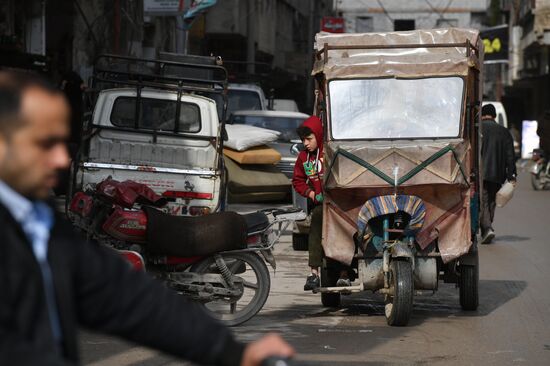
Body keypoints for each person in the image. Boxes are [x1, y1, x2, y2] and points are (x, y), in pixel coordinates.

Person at [0, 71, 294, 366]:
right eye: (44, 143)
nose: (62, 159)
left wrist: (234, 353)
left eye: (62, 143)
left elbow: (125, 298)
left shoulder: (37, 220)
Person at [292, 115, 349, 291]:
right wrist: (310, 193)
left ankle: (344, 274)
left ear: (318, 135)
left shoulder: (330, 152)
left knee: (344, 231)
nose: (306, 143)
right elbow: (297, 181)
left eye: (309, 139)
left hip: (340, 205)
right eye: (303, 140)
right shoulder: (303, 157)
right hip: (320, 205)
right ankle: (314, 273)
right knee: (316, 224)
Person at [480, 103, 517, 244]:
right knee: (491, 201)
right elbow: (510, 155)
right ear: (494, 116)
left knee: (483, 200)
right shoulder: (504, 131)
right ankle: (486, 229)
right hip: (498, 174)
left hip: (480, 173)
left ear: (482, 115)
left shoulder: (478, 129)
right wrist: (512, 174)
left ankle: (487, 228)